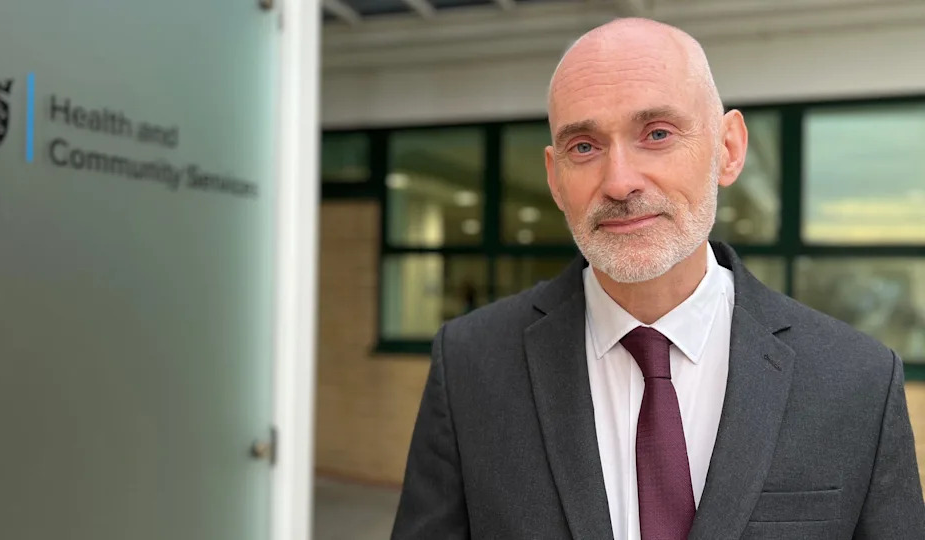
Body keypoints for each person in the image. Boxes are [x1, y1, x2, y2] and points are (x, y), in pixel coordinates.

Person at [390, 18, 925, 540]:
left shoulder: (858, 381)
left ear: (728, 149)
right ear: (555, 179)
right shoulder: (469, 365)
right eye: (584, 146)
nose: (620, 182)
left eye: (658, 133)